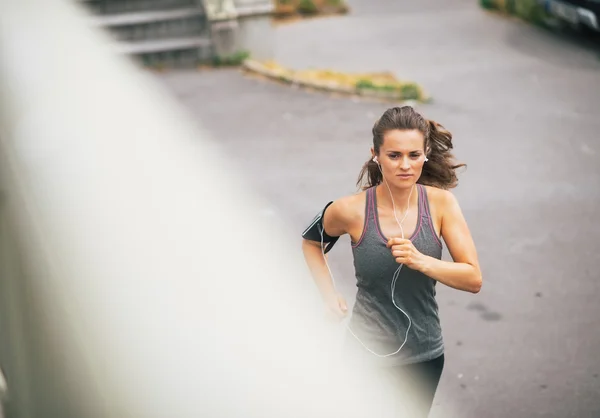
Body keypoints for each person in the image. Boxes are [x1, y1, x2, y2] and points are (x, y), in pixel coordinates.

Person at [301, 106, 482, 417]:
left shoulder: (441, 205)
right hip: (365, 352)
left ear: (425, 153)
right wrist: (328, 295)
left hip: (423, 355)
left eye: (414, 155)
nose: (405, 165)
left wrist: (421, 261)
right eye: (394, 155)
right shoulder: (350, 210)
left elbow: (473, 278)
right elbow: (311, 242)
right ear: (376, 155)